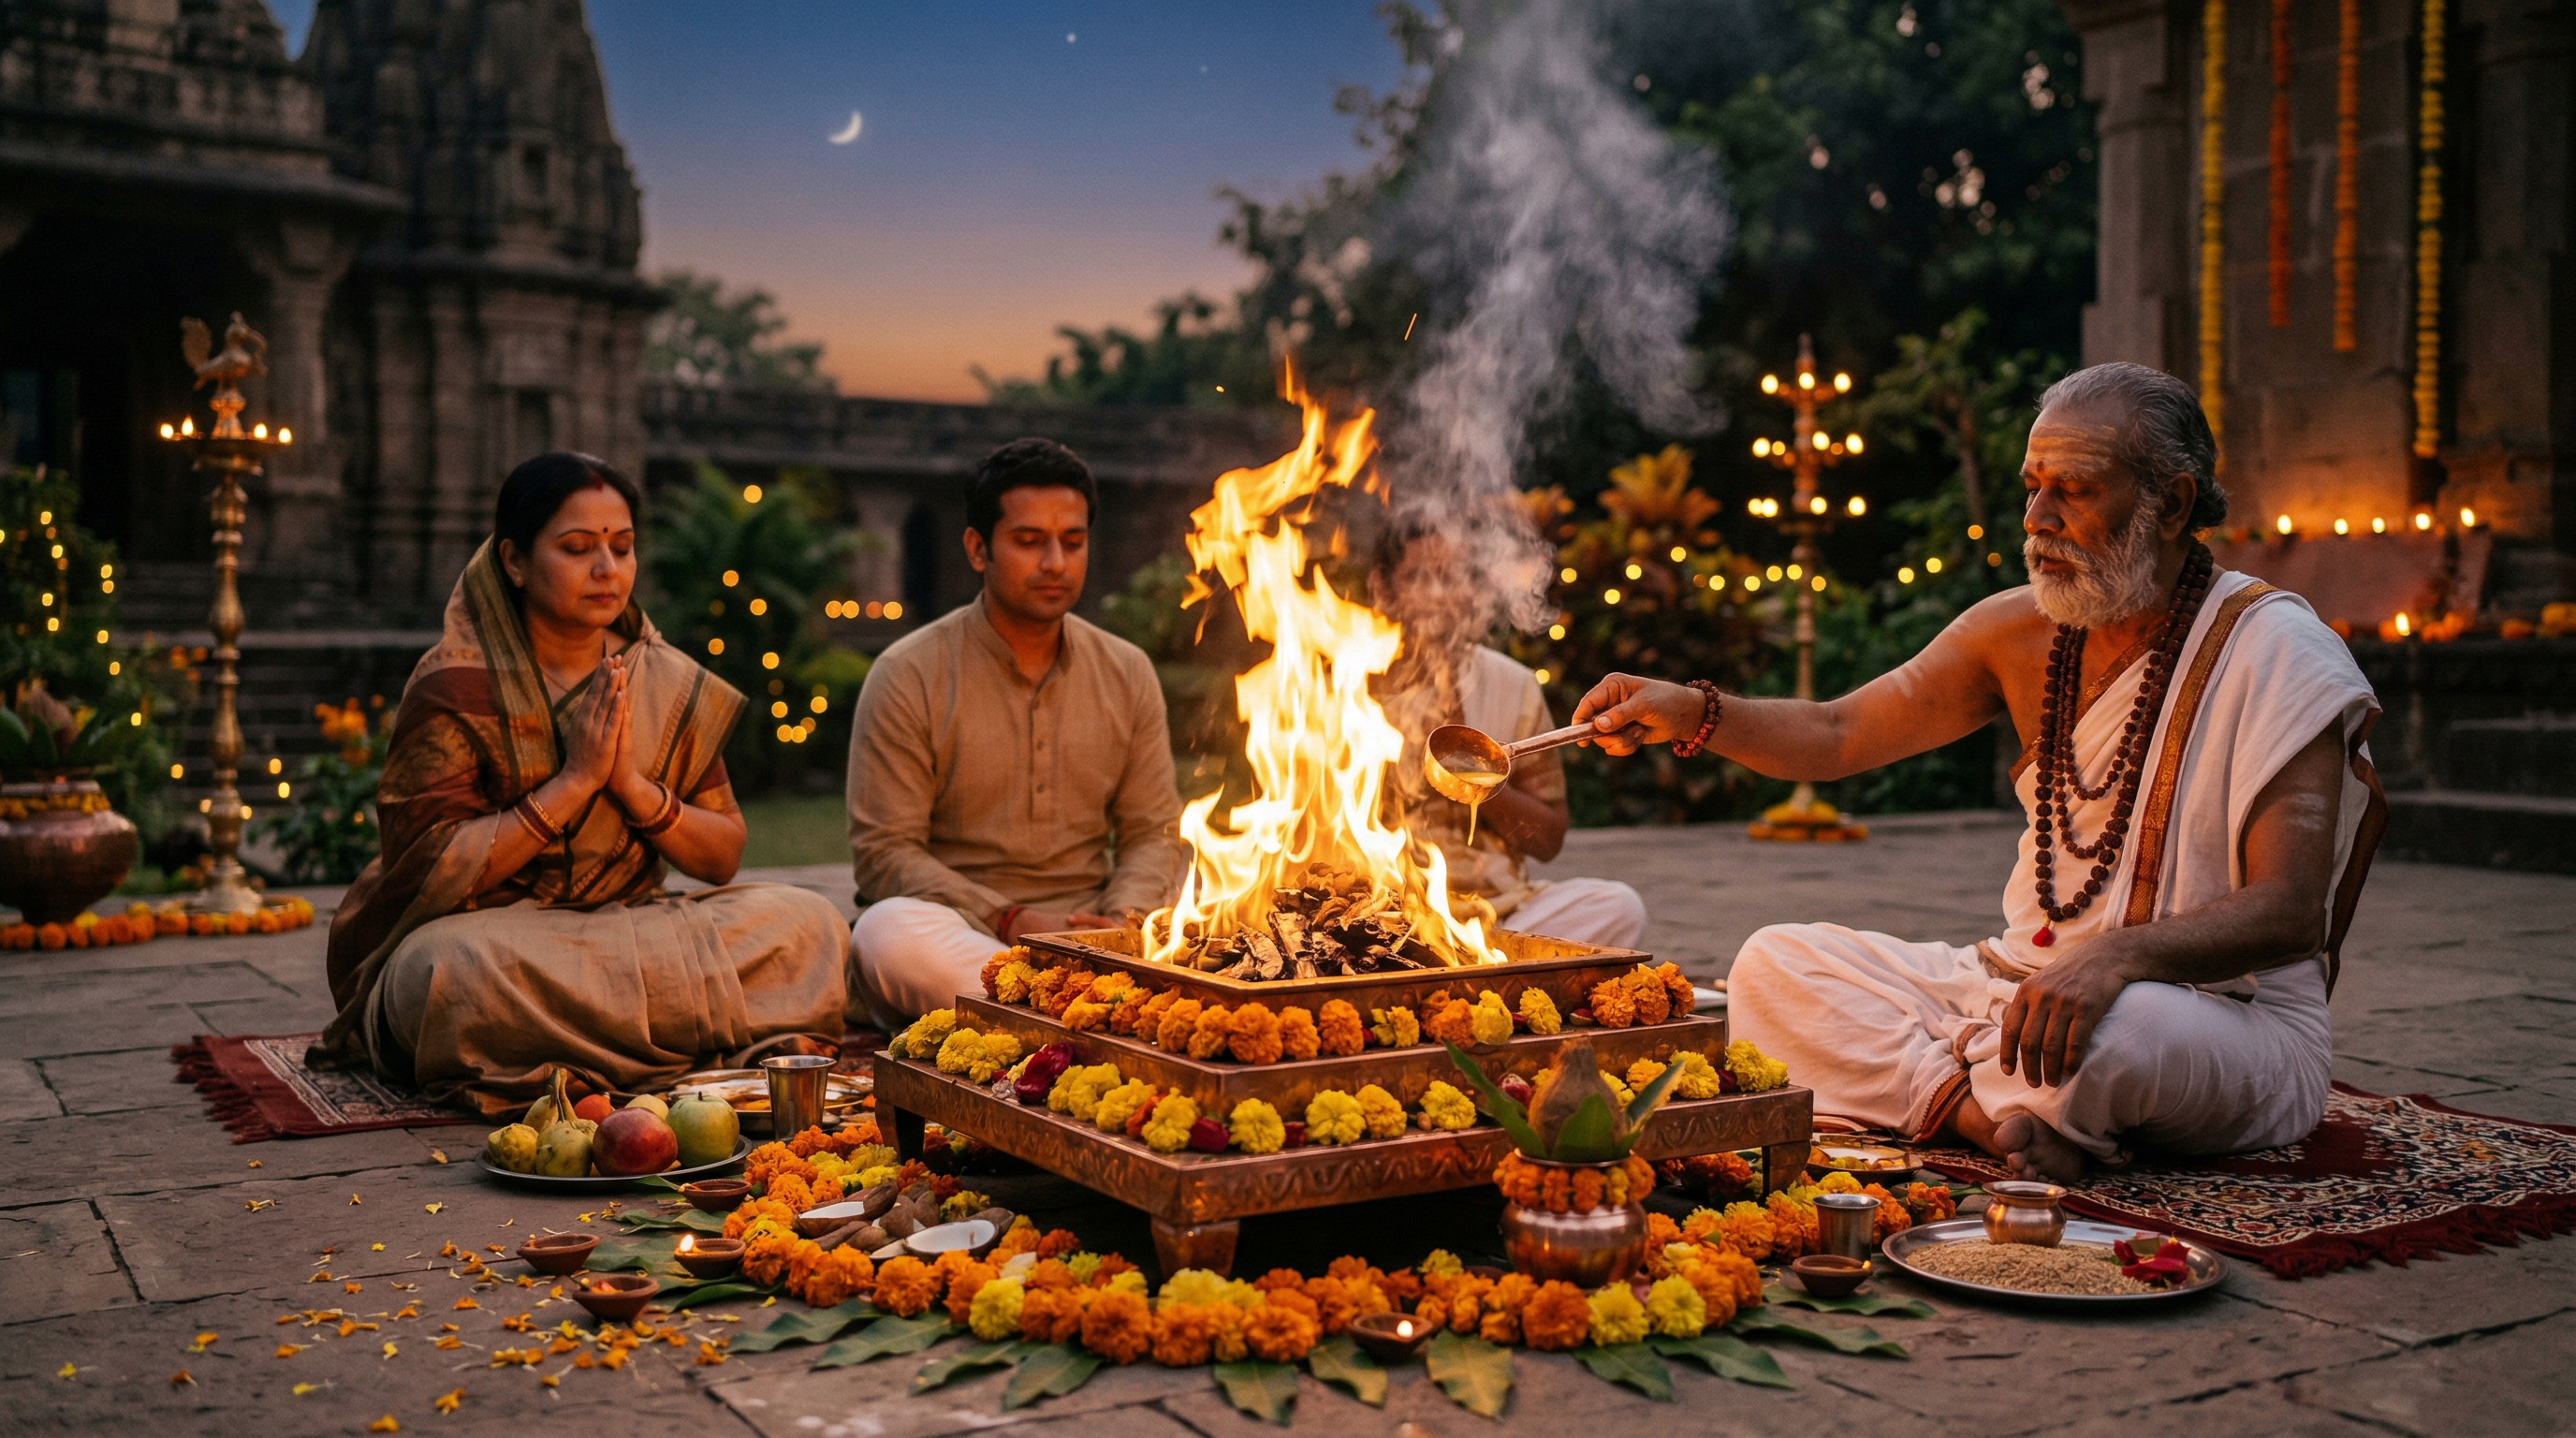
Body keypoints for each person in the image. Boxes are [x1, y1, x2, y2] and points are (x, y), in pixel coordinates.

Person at [1570, 363, 2384, 1181]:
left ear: (2169, 504)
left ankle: (1963, 1080)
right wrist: (1692, 712)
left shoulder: (2276, 649)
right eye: (2032, 487)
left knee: (2123, 1031)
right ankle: (1986, 1115)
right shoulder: (2017, 633)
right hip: (2013, 987)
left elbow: (2288, 914)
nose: (2037, 520)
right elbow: (1838, 733)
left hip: (2214, 1015)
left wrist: (2117, 959)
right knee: (1773, 966)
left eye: (2074, 490)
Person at [312, 453, 850, 1116]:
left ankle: (577, 1056)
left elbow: (721, 858)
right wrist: (573, 783)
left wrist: (629, 785)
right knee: (443, 979)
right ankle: (687, 1040)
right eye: (576, 548)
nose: (607, 569)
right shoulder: (454, 682)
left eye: (622, 548)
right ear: (513, 561)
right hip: (505, 943)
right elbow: (425, 870)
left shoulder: (661, 677)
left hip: (634, 928)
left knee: (812, 926)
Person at [844, 438, 1184, 1027]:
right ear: (979, 549)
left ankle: (1058, 1015)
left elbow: (1153, 833)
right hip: (969, 941)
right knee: (886, 932)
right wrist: (1010, 919)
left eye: (1072, 543)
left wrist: (1121, 920)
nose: (1055, 562)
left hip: (1097, 943)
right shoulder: (909, 672)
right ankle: (1085, 1018)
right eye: (1029, 542)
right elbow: (884, 854)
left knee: (1225, 901)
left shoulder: (1126, 671)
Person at [1371, 526, 1648, 950]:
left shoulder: (1510, 683)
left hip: (1500, 915)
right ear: (1382, 588)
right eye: (1420, 577)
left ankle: (1472, 966)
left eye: (1455, 577)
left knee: (1617, 906)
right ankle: (1490, 976)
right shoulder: (1342, 685)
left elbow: (1549, 840)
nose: (1441, 595)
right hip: (1381, 917)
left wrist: (1473, 774)